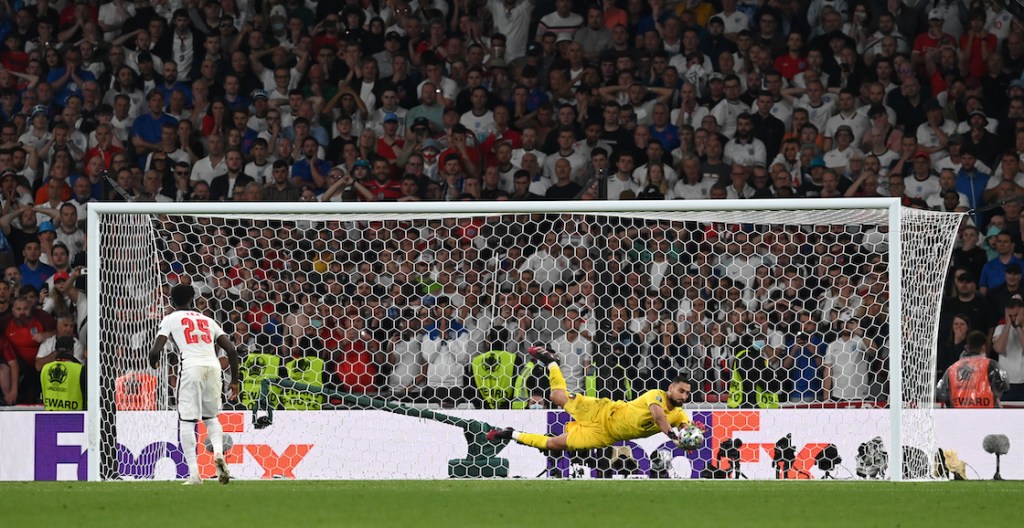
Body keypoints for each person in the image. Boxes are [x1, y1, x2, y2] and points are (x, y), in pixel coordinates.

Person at [487, 345, 695, 450]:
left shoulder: (678, 414)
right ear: (671, 388)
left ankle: (511, 434)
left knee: (553, 444)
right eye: (681, 391)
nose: (683, 396)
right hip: (603, 411)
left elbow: (686, 428)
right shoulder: (656, 395)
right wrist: (675, 438)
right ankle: (550, 361)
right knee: (556, 395)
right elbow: (658, 417)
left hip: (605, 436)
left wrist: (691, 439)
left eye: (687, 393)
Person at [148, 284, 239, 485]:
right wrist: (234, 381)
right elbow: (231, 350)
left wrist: (152, 360)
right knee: (211, 418)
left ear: (172, 301)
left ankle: (195, 474)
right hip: (213, 368)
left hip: (191, 368)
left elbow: (156, 349)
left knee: (187, 421)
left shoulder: (170, 318)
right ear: (193, 299)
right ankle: (218, 453)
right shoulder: (208, 320)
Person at [936, 330, 1009, 408]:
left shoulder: (953, 368)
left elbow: (941, 393)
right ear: (983, 347)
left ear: (967, 347)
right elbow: (1004, 385)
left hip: (959, 416)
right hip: (986, 415)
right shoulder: (991, 365)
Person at [40, 336, 86, 410]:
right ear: (72, 350)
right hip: (75, 419)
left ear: (56, 350)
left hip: (49, 418)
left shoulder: (45, 368)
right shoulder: (80, 369)